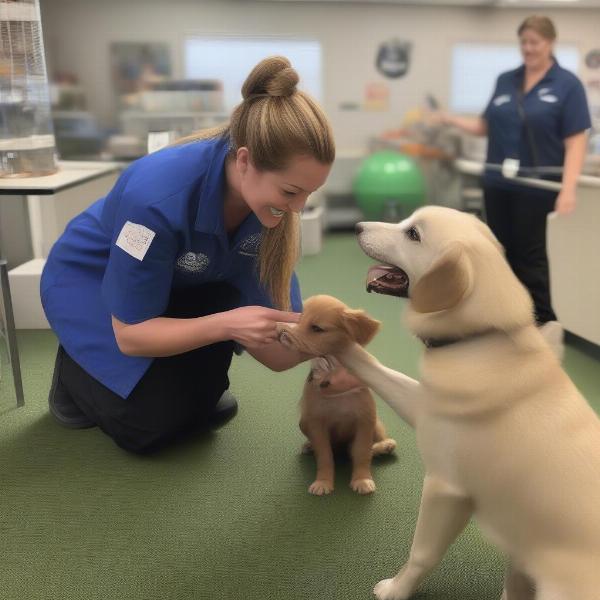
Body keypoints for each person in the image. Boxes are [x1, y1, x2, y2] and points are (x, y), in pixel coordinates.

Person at [41, 56, 335, 454]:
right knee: (146, 430)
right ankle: (73, 374)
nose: (298, 208)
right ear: (245, 160)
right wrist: (227, 325)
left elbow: (280, 354)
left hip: (186, 283)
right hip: (92, 283)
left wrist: (338, 341)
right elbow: (131, 335)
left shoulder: (269, 210)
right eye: (289, 192)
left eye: (308, 193)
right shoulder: (154, 200)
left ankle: (181, 389)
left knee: (194, 410)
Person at [436, 15, 591, 335]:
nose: (528, 49)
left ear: (550, 43)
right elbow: (484, 126)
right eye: (524, 42)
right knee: (499, 251)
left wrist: (569, 189)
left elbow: (576, 141)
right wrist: (449, 119)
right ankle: (504, 314)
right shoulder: (506, 80)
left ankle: (541, 322)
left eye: (535, 42)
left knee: (530, 255)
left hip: (537, 187)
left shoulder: (567, 85)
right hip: (498, 183)